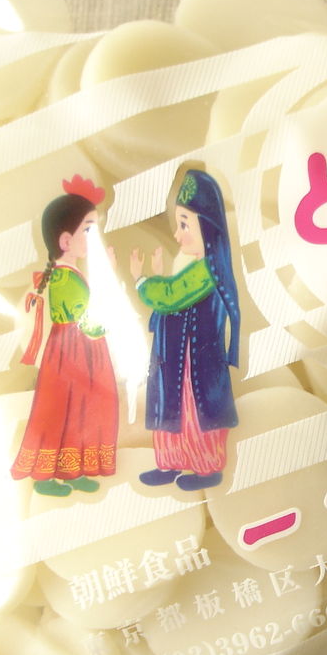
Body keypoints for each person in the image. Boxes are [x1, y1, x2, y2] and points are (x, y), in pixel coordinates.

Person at [131, 169, 240, 491]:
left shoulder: (208, 269)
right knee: (172, 407)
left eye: (184, 225)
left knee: (195, 411)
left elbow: (171, 296)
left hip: (196, 362)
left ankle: (208, 468)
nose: (178, 236)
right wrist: (159, 275)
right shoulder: (192, 264)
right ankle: (171, 462)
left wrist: (141, 280)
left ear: (206, 225)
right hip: (175, 356)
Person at [10, 175, 119, 496]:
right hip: (74, 352)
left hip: (78, 350)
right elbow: (85, 316)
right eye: (88, 230)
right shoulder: (64, 278)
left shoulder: (70, 273)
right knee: (62, 409)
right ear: (66, 241)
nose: (93, 238)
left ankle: (72, 469)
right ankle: (45, 477)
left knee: (80, 409)